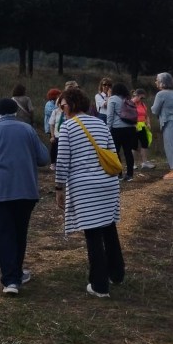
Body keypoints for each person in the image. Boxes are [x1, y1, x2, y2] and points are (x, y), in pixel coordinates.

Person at [54, 87, 125, 298]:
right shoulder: (100, 124)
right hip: (108, 183)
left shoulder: (68, 127)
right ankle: (116, 273)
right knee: (108, 228)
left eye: (63, 105)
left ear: (72, 104)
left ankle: (99, 285)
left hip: (85, 187)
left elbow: (62, 161)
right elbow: (112, 153)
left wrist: (59, 188)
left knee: (93, 233)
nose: (62, 109)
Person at [0, 98, 50, 295]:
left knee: (4, 234)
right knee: (19, 232)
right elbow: (44, 158)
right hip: (26, 190)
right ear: (16, 112)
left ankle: (10, 279)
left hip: (0, 191)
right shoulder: (28, 130)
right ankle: (16, 272)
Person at [150, 72, 173, 180]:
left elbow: (155, 110)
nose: (156, 82)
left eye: (157, 80)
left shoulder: (161, 94)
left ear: (162, 82)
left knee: (171, 145)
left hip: (170, 121)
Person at [106, 82, 137, 181]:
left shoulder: (112, 99)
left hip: (117, 128)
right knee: (128, 151)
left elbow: (110, 116)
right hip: (130, 128)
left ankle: (119, 173)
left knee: (115, 151)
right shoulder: (128, 99)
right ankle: (130, 174)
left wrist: (108, 129)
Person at [132, 89, 154, 170]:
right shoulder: (131, 103)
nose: (142, 99)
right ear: (137, 96)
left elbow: (146, 115)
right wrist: (134, 124)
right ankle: (133, 163)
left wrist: (148, 123)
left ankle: (144, 162)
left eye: (143, 98)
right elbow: (128, 115)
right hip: (134, 126)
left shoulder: (143, 104)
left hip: (142, 125)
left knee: (144, 143)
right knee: (134, 145)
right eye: (141, 97)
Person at [42, 88, 62, 167]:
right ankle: (53, 162)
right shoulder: (49, 104)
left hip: (57, 127)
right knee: (54, 145)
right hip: (51, 127)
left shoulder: (56, 103)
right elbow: (51, 112)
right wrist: (59, 108)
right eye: (58, 94)